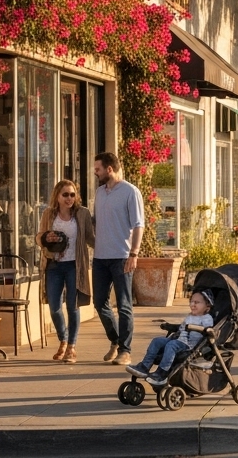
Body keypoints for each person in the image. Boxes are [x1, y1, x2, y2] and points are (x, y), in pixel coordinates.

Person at [92, 152, 144, 367]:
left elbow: (139, 224)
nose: (96, 173)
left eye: (98, 169)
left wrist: (134, 253)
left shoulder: (130, 192)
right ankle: (115, 340)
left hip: (122, 256)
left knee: (124, 305)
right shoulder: (100, 192)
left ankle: (125, 350)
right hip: (100, 257)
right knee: (99, 302)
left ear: (109, 169)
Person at [37, 179, 96, 364]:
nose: (69, 198)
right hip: (53, 265)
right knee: (54, 306)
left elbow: (90, 238)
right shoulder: (49, 214)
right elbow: (39, 238)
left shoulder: (82, 213)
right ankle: (63, 338)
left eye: (72, 194)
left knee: (73, 305)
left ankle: (71, 346)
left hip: (74, 265)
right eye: (65, 195)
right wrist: (48, 236)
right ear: (57, 196)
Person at [125, 291, 215, 385]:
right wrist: (170, 326)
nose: (193, 304)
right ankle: (144, 367)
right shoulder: (191, 316)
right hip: (179, 339)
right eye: (192, 302)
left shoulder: (207, 318)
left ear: (207, 307)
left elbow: (208, 331)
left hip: (190, 345)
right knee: (157, 341)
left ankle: (162, 372)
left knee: (171, 345)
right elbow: (181, 328)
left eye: (197, 302)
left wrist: (196, 328)